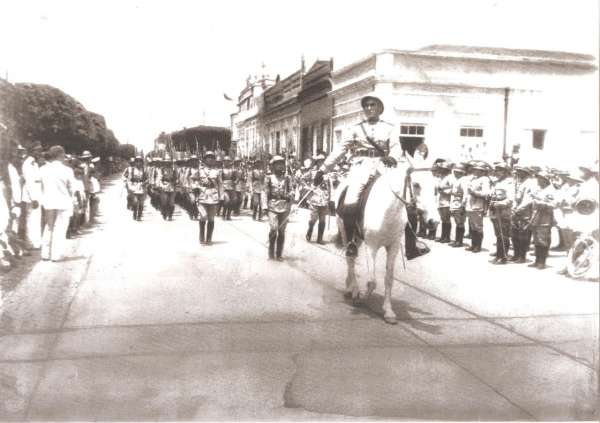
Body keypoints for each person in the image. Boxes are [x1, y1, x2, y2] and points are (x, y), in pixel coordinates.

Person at [322, 95, 402, 257]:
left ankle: (411, 241)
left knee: (402, 195)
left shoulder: (389, 127)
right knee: (351, 197)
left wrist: (393, 157)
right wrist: (323, 168)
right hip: (361, 166)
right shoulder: (355, 128)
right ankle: (351, 239)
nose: (369, 108)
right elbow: (340, 150)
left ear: (380, 108)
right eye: (366, 106)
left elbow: (396, 147)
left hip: (383, 165)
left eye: (373, 105)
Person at [40, 145, 75, 262]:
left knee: (48, 227)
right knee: (60, 229)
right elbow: (72, 188)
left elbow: (40, 186)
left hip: (49, 202)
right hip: (63, 203)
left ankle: (45, 253)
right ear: (61, 155)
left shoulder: (43, 169)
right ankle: (56, 255)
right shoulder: (67, 170)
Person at [526, 171, 557, 269]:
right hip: (536, 218)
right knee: (536, 240)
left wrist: (541, 203)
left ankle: (542, 262)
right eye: (537, 178)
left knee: (542, 240)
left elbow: (553, 205)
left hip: (545, 219)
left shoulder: (550, 191)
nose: (537, 180)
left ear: (545, 180)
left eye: (539, 178)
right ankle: (537, 260)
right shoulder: (540, 189)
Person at [266, 155, 294, 260]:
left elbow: (291, 190)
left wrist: (290, 195)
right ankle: (271, 251)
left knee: (282, 231)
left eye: (281, 164)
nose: (280, 166)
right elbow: (265, 192)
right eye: (277, 164)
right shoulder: (269, 178)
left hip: (284, 206)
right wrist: (264, 206)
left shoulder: (287, 178)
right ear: (273, 166)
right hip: (272, 206)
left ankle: (279, 254)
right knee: (273, 229)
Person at [488, 162, 514, 264]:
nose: (498, 172)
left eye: (500, 170)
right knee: (498, 234)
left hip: (504, 211)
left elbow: (510, 199)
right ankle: (498, 254)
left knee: (504, 235)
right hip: (495, 211)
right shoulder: (497, 182)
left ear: (506, 172)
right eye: (497, 170)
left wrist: (500, 203)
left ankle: (503, 257)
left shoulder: (509, 183)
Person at [21, 141, 43, 249]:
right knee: (31, 219)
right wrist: (34, 198)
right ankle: (30, 243)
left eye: (40, 150)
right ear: (32, 151)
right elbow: (29, 182)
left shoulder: (35, 163)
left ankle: (36, 242)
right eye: (38, 150)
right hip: (31, 195)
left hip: (36, 193)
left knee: (36, 218)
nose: (40, 152)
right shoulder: (28, 163)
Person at [197, 151, 222, 245]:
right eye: (208, 157)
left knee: (211, 218)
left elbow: (220, 184)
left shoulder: (217, 171)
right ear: (205, 159)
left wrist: (221, 196)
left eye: (212, 157)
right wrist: (196, 188)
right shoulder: (200, 170)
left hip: (213, 196)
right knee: (203, 216)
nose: (210, 159)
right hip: (202, 195)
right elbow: (192, 180)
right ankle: (201, 237)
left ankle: (209, 239)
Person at [465, 161, 490, 253]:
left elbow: (486, 193)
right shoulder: (473, 179)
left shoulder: (485, 179)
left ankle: (478, 246)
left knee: (478, 227)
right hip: (470, 205)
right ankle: (473, 244)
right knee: (472, 227)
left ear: (483, 171)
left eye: (479, 170)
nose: (476, 171)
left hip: (478, 205)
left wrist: (475, 193)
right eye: (475, 169)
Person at [305, 154, 330, 244]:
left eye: (323, 161)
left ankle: (319, 239)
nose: (322, 163)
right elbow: (301, 178)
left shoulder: (328, 172)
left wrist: (330, 196)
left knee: (323, 220)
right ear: (317, 162)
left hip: (324, 198)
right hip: (315, 198)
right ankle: (310, 230)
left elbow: (329, 185)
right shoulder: (312, 172)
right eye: (320, 161)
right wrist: (308, 187)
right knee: (313, 219)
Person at [449, 163, 468, 247]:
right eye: (455, 171)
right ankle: (457, 240)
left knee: (460, 223)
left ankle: (459, 241)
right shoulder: (458, 180)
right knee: (457, 223)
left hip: (459, 204)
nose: (455, 173)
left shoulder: (463, 180)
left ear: (462, 173)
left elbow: (465, 194)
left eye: (457, 172)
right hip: (455, 203)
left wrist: (463, 205)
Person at [435, 161, 454, 243]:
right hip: (441, 200)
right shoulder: (441, 178)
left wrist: (444, 191)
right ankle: (443, 236)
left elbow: (453, 189)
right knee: (443, 219)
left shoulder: (450, 178)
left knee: (447, 219)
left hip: (447, 200)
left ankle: (447, 237)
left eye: (442, 169)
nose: (440, 170)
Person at [127, 156, 148, 221]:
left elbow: (147, 179)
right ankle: (134, 213)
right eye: (137, 161)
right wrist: (130, 186)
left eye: (140, 161)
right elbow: (129, 179)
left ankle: (139, 216)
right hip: (134, 187)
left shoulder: (144, 170)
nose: (138, 163)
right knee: (135, 202)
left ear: (142, 162)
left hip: (142, 187)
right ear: (135, 162)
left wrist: (144, 183)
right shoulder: (132, 170)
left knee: (141, 203)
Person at [220, 156, 237, 220]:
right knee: (227, 201)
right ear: (223, 162)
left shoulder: (232, 170)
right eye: (225, 161)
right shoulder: (221, 170)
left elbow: (234, 178)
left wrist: (235, 182)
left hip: (231, 186)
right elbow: (220, 179)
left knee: (232, 202)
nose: (227, 163)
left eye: (228, 161)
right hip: (224, 186)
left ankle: (228, 215)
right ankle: (223, 214)